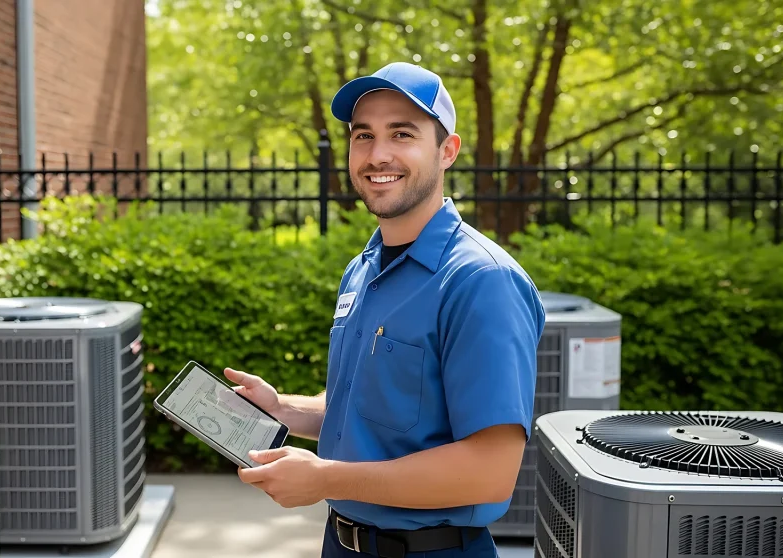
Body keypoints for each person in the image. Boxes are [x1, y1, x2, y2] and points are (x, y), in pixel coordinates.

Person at [225, 62, 546, 557]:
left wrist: (327, 479)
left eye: (402, 133)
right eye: (363, 135)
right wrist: (283, 409)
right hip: (342, 543)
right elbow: (373, 407)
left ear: (447, 151)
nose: (378, 155)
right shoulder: (364, 267)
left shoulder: (482, 281)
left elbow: (490, 473)